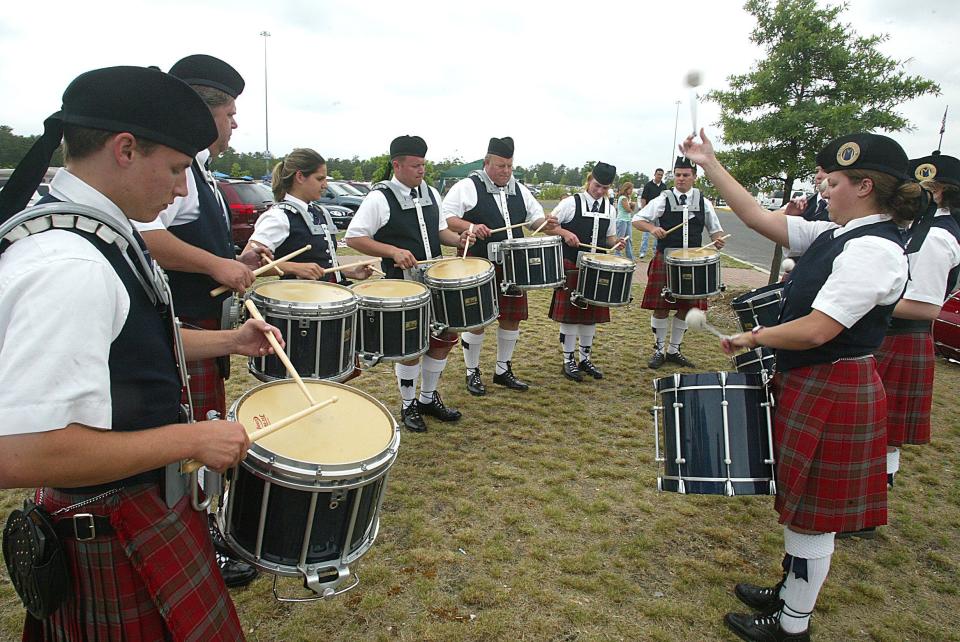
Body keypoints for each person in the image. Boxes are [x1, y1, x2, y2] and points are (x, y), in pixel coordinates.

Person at [0, 66, 285, 641]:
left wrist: (230, 341)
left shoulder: (102, 233)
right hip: (111, 525)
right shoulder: (70, 266)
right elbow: (18, 453)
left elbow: (131, 336)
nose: (184, 189)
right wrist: (192, 439)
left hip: (139, 509)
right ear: (125, 149)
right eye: (178, 167)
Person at [683, 129, 924, 641]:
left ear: (863, 187)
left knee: (813, 513)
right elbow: (758, 218)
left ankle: (792, 624)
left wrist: (753, 336)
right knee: (800, 499)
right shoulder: (839, 234)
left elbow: (819, 328)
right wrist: (710, 163)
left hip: (834, 386)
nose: (824, 188)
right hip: (816, 381)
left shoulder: (874, 250)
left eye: (832, 181)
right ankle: (790, 590)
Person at [134, 53, 262, 589]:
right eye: (230, 113)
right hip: (181, 324)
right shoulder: (173, 167)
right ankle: (200, 531)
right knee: (191, 433)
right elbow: (148, 235)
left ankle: (206, 525)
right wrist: (216, 263)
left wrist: (234, 258)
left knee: (204, 423)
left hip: (203, 324)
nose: (235, 124)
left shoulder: (200, 173)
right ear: (203, 112)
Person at [345, 135, 471, 432]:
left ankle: (427, 398)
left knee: (443, 338)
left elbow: (441, 232)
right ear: (397, 165)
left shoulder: (430, 193)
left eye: (424, 165)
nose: (421, 171)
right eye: (416, 165)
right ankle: (407, 403)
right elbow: (354, 237)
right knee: (410, 345)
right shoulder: (380, 197)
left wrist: (459, 239)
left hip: (436, 279)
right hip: (402, 284)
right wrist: (392, 251)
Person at [442, 136, 556, 395]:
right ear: (487, 162)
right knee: (476, 320)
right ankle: (472, 372)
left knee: (512, 318)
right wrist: (470, 226)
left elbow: (533, 218)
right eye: (500, 166)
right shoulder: (468, 186)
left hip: (513, 266)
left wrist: (544, 222)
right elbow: (445, 217)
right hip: (477, 264)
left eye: (509, 166)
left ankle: (503, 370)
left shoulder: (520, 189)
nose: (505, 171)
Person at [874, 151, 960, 491]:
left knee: (885, 428)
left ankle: (875, 495)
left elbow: (925, 307)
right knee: (881, 426)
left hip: (904, 335)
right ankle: (872, 495)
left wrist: (864, 297)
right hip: (892, 334)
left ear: (936, 191)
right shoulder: (922, 228)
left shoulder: (937, 237)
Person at [633, 156, 725, 369]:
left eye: (685, 175)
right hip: (666, 259)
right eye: (677, 175)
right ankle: (659, 350)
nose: (681, 179)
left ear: (694, 177)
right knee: (661, 307)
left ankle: (674, 350)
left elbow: (715, 230)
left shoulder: (704, 202)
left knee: (686, 307)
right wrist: (652, 229)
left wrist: (718, 240)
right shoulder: (663, 199)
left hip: (693, 263)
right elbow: (638, 219)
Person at [243, 148, 374, 283]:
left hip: (330, 296)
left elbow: (322, 264)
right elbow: (248, 265)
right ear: (300, 177)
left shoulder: (318, 212)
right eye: (320, 179)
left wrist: (351, 273)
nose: (325, 185)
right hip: (301, 299)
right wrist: (293, 268)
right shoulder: (279, 216)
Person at [546, 161, 623, 382]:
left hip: (596, 267)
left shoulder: (610, 208)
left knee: (590, 316)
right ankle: (567, 359)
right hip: (572, 265)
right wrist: (564, 232)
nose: (600, 191)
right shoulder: (571, 203)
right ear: (589, 180)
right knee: (571, 316)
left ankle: (585, 358)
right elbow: (548, 225)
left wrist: (616, 243)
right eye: (597, 185)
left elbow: (609, 238)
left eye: (605, 188)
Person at [637, 167, 668, 258]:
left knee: (658, 234)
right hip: (649, 214)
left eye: (661, 175)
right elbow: (643, 199)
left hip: (659, 214)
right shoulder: (648, 185)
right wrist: (644, 210)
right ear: (655, 174)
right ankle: (643, 251)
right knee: (646, 234)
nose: (660, 176)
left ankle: (656, 251)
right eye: (658, 174)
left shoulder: (664, 186)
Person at [614, 181, 636, 260]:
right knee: (621, 239)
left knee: (629, 239)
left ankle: (630, 256)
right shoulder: (623, 198)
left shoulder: (627, 198)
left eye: (632, 189)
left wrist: (631, 206)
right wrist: (632, 205)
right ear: (626, 189)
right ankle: (617, 254)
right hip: (622, 220)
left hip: (627, 220)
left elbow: (630, 209)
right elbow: (628, 210)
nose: (631, 191)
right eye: (630, 189)